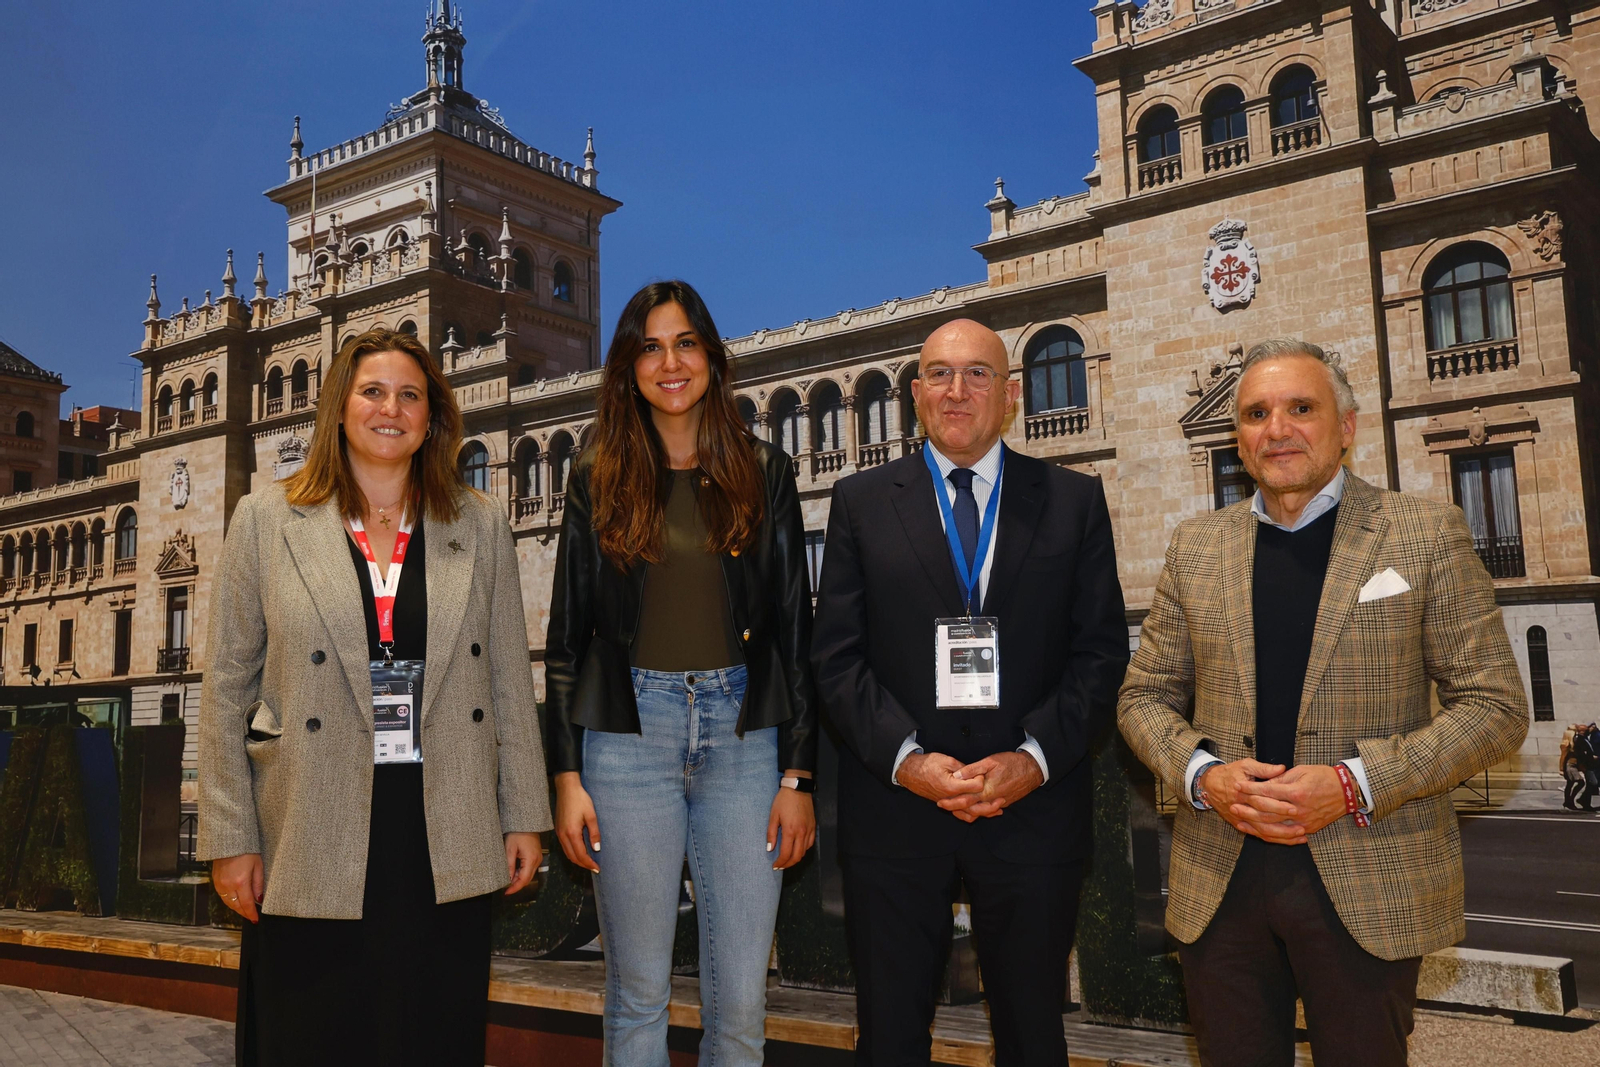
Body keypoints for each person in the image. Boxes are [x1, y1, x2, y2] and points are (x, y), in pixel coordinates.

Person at [1118, 339, 1529, 1067]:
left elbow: (1494, 706)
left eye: (1300, 408)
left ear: (1347, 426)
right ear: (1237, 437)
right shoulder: (1194, 547)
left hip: (1369, 875)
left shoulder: (1424, 533)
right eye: (1255, 414)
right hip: (1221, 882)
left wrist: (1351, 783)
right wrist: (1203, 773)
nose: (1277, 428)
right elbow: (1143, 696)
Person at [199, 328, 549, 1067]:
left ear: (432, 415)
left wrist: (523, 814)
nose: (391, 409)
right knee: (310, 1033)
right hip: (308, 820)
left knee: (432, 1029)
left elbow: (510, 681)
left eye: (410, 395)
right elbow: (227, 684)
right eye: (373, 391)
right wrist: (230, 836)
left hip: (441, 814)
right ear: (339, 407)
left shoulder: (479, 523)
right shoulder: (266, 519)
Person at [811, 319, 1129, 1066]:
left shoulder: (1073, 501)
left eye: (978, 373)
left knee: (1032, 1038)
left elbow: (1099, 655)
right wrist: (909, 760)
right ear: (917, 394)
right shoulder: (859, 502)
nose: (958, 390)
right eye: (941, 374)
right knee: (888, 1040)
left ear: (1010, 394)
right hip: (896, 815)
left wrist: (1032, 759)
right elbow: (835, 659)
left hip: (1031, 813)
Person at [545, 280, 818, 1066]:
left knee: (740, 1002)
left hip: (744, 737)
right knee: (637, 996)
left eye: (686, 342)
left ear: (712, 357)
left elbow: (796, 632)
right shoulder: (594, 473)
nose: (670, 362)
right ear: (628, 366)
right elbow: (568, 638)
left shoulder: (766, 471)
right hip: (626, 739)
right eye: (651, 346)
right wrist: (567, 776)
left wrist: (798, 775)